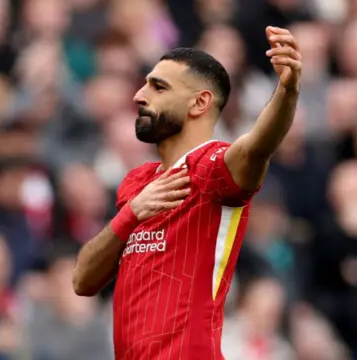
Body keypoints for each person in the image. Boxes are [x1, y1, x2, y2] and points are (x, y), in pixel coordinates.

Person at [72, 26, 302, 359]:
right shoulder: (138, 183)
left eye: (158, 86)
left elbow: (258, 146)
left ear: (200, 102)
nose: (139, 95)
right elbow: (82, 280)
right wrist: (131, 213)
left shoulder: (216, 167)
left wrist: (288, 90)